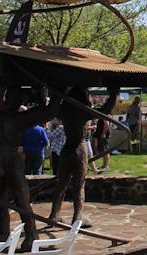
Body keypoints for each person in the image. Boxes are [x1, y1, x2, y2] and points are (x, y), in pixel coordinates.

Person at [0, 86, 61, 251]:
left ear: (18, 101)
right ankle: (2, 232)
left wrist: (54, 95)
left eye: (12, 97)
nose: (7, 99)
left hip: (12, 161)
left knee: (21, 199)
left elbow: (48, 113)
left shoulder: (21, 118)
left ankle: (31, 234)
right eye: (6, 96)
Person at [49, 86, 117, 231]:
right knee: (79, 184)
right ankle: (77, 216)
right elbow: (105, 110)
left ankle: (54, 213)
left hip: (67, 148)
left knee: (61, 183)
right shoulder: (84, 112)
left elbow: (49, 108)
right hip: (79, 147)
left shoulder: (64, 112)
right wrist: (114, 91)